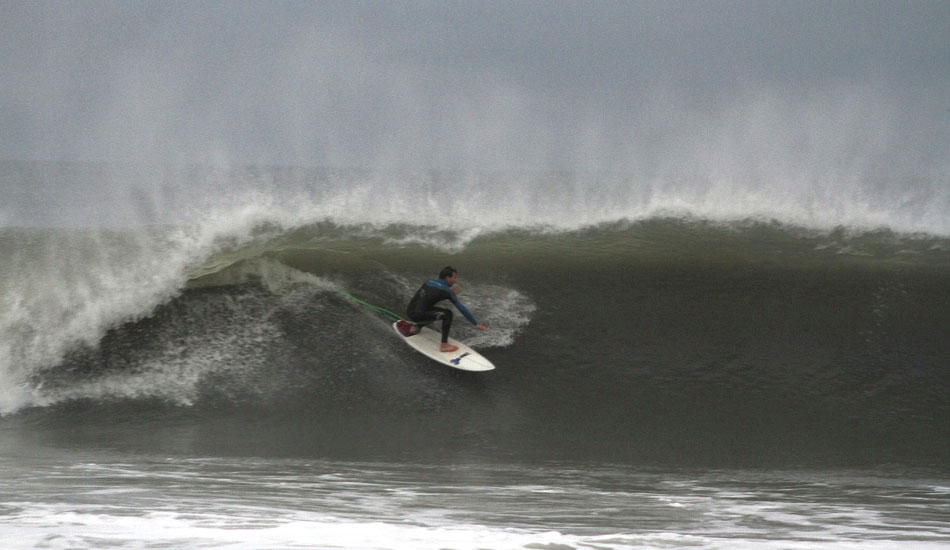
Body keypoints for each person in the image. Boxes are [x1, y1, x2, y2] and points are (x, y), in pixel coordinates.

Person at [403, 266, 488, 352]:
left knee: (434, 311)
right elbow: (461, 308)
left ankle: (416, 327)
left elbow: (432, 294)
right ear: (447, 278)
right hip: (418, 316)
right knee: (447, 314)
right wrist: (475, 323)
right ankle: (444, 345)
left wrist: (450, 291)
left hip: (410, 311)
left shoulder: (428, 282)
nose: (455, 280)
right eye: (454, 277)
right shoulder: (447, 291)